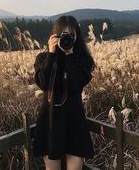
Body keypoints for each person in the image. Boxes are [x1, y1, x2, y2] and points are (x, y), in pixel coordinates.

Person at [32, 15, 96, 170]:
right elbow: (43, 84)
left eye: (71, 36)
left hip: (74, 121)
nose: (67, 39)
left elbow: (76, 84)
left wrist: (71, 57)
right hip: (51, 121)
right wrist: (52, 54)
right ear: (54, 36)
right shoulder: (43, 58)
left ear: (77, 38)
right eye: (63, 35)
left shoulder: (83, 60)